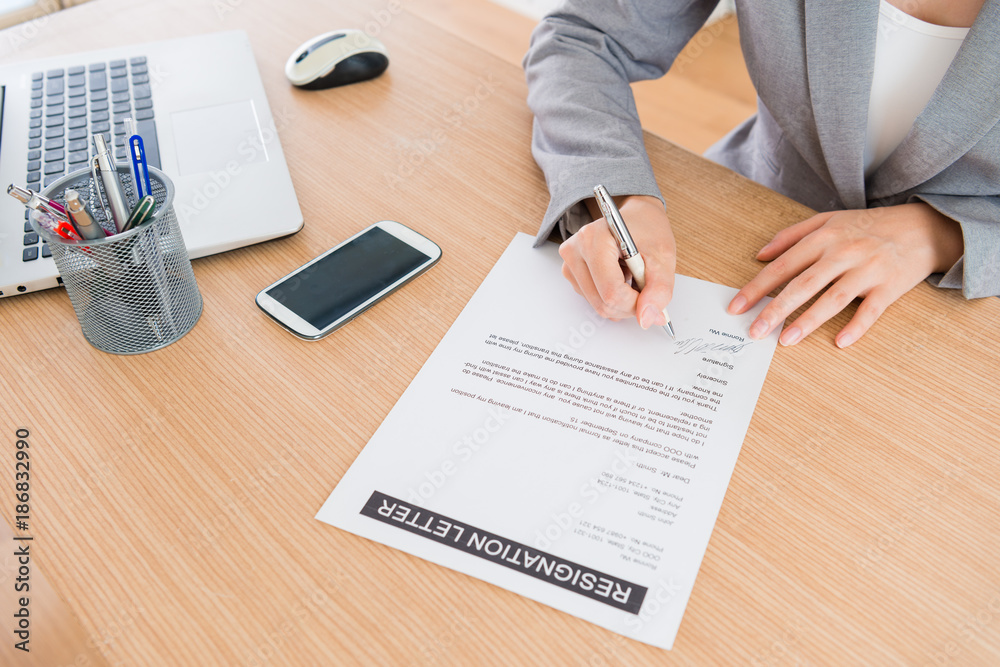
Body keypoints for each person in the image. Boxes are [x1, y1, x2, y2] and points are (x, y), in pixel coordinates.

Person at [523, 0, 998, 347]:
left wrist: (944, 235)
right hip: (745, 234)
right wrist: (626, 195)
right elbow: (583, 39)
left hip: (956, 313)